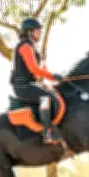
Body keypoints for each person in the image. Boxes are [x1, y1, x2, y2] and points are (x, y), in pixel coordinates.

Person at [10, 17, 65, 145]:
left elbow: (42, 69)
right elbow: (34, 69)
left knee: (53, 92)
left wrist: (54, 80)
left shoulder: (34, 48)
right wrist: (52, 76)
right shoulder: (25, 47)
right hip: (22, 86)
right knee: (46, 97)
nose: (40, 33)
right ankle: (47, 133)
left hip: (31, 84)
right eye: (38, 31)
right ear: (30, 32)